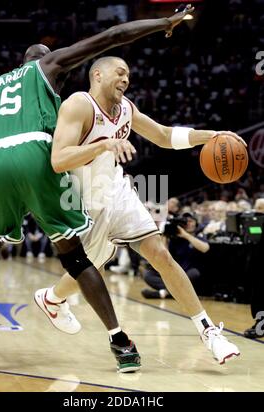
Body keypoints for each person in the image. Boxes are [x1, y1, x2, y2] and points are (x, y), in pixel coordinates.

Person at [0, 5, 195, 370]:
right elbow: (112, 37)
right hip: (34, 153)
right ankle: (119, 341)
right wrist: (164, 23)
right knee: (75, 256)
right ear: (45, 59)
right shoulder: (48, 65)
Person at [37, 56, 246, 365]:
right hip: (82, 200)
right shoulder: (78, 105)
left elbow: (163, 136)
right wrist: (104, 145)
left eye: (129, 75)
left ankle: (208, 332)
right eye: (120, 72)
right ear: (97, 74)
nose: (126, 79)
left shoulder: (126, 109)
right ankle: (52, 297)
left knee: (160, 254)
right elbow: (59, 159)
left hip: (117, 191)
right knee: (89, 269)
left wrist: (212, 136)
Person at [141, 213, 209, 299]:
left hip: (190, 273)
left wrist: (186, 235)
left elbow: (205, 248)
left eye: (191, 221)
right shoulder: (175, 236)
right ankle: (174, 292)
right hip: (176, 272)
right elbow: (164, 255)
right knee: (148, 275)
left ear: (196, 223)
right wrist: (165, 237)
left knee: (193, 274)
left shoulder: (199, 235)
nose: (189, 224)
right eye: (186, 222)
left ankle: (164, 293)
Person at [244, 198, 264, 339]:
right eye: (257, 208)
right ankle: (260, 322)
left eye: (261, 208)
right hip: (257, 256)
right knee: (257, 288)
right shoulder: (254, 220)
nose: (258, 211)